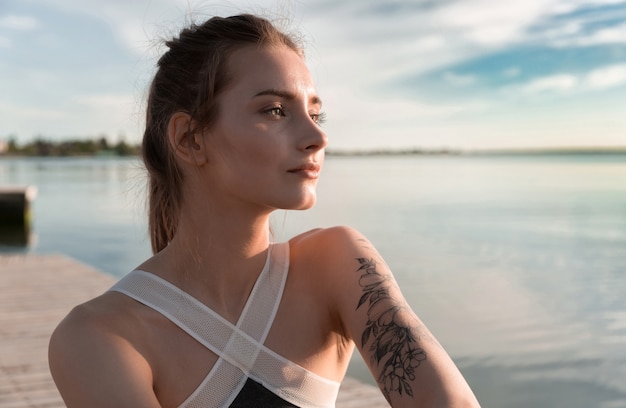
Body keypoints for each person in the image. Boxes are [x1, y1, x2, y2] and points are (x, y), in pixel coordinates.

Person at [48, 14, 480, 408]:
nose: (317, 137)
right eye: (275, 110)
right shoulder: (100, 336)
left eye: (316, 113)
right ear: (190, 139)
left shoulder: (339, 263)